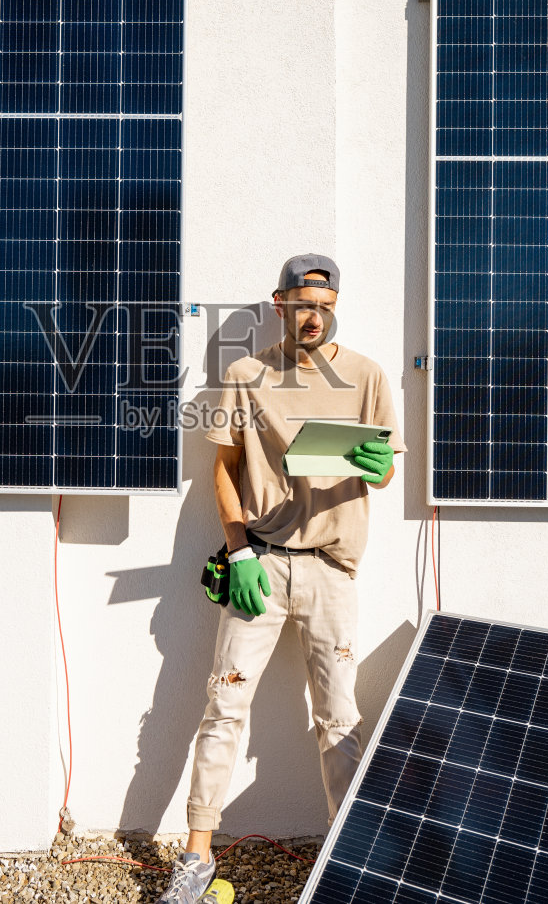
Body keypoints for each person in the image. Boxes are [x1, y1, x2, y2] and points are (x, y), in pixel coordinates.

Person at [157, 253, 406, 904]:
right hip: (259, 565)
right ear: (280, 303)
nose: (314, 315)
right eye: (303, 304)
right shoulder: (245, 374)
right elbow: (224, 469)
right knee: (224, 705)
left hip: (332, 569)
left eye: (325, 305)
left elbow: (382, 473)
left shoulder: (367, 375)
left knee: (340, 718)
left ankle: (347, 858)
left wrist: (377, 462)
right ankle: (196, 857)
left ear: (335, 307)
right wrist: (237, 551)